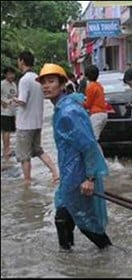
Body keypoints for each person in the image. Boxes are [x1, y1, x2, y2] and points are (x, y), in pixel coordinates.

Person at [36, 63, 112, 251]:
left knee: (87, 223)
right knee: (62, 218)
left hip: (80, 178)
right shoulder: (62, 108)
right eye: (43, 82)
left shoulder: (69, 112)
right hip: (69, 177)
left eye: (51, 81)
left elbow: (89, 145)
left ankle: (109, 254)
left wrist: (90, 178)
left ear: (62, 84)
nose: (46, 86)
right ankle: (68, 260)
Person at [13, 51, 58, 186]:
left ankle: (27, 182)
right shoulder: (38, 79)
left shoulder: (24, 80)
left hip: (25, 124)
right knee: (38, 150)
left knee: (24, 156)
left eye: (18, 60)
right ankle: (55, 172)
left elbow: (22, 101)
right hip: (37, 122)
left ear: (21, 61)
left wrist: (14, 99)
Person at [83, 65, 107, 142]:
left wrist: (79, 103)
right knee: (95, 139)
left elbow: (88, 105)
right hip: (103, 114)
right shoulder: (99, 85)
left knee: (93, 140)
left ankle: (97, 154)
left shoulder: (90, 87)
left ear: (87, 76)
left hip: (96, 115)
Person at [1, 66, 18, 162]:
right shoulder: (2, 84)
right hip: (4, 112)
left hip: (12, 111)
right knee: (6, 131)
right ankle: (6, 150)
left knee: (10, 131)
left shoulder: (14, 85)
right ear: (5, 74)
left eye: (13, 73)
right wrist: (3, 103)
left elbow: (15, 96)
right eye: (9, 74)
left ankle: (7, 149)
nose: (11, 75)